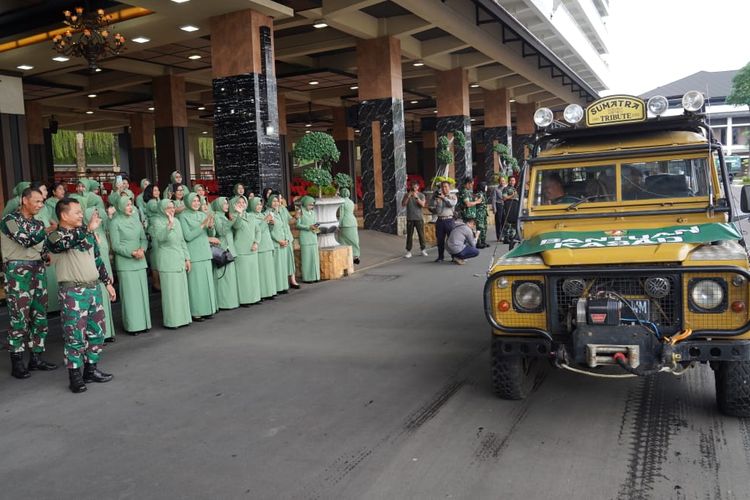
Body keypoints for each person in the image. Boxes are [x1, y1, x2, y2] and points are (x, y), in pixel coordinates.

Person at [47, 198, 116, 393]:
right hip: (72, 292)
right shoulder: (55, 236)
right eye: (77, 212)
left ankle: (91, 370)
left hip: (93, 289)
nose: (80, 215)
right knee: (74, 336)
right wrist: (88, 229)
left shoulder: (86, 234)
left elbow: (97, 259)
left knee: (97, 332)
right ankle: (75, 376)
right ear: (63, 215)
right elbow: (62, 245)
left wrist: (107, 283)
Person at [1, 187, 57, 378]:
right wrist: (47, 231)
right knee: (20, 318)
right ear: (24, 200)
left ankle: (36, 358)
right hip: (18, 274)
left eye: (42, 202)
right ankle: (17, 361)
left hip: (38, 270)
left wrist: (45, 255)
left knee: (39, 316)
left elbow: (39, 246)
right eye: (37, 201)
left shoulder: (38, 223)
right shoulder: (10, 221)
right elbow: (24, 241)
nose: (40, 205)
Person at [108, 196, 152, 334]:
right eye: (126, 205)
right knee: (130, 296)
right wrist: (131, 253)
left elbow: (143, 239)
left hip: (140, 260)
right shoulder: (114, 222)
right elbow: (115, 246)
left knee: (142, 294)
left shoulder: (136, 220)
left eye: (130, 204)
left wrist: (142, 250)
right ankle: (133, 326)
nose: (130, 207)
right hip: (126, 263)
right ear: (120, 206)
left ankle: (145, 323)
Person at [152, 200, 192, 329]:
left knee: (181, 290)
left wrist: (187, 258)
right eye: (168, 207)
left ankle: (184, 318)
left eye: (173, 207)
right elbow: (160, 238)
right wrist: (169, 225)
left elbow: (182, 241)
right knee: (171, 293)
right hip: (167, 260)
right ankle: (173, 321)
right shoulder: (157, 221)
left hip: (179, 258)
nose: (171, 209)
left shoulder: (178, 221)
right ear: (162, 209)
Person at [179, 192, 219, 320]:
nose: (196, 203)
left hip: (205, 252)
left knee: (207, 283)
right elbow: (188, 236)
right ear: (187, 202)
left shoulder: (202, 214)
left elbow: (211, 233)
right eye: (194, 201)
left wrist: (211, 226)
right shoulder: (183, 216)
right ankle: (196, 311)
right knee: (196, 285)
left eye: (198, 201)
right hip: (194, 253)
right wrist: (202, 225)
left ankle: (208, 309)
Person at [84, 206, 115, 342]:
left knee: (105, 302)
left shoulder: (100, 231)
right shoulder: (85, 234)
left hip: (104, 270)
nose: (97, 217)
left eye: (97, 214)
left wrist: (109, 274)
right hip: (93, 273)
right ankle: (99, 334)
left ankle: (107, 332)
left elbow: (105, 256)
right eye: (94, 215)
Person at [231, 196, 262, 306]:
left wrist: (256, 242)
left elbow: (258, 231)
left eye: (243, 202)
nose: (241, 204)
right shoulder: (233, 216)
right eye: (238, 202)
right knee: (244, 277)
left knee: (253, 275)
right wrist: (239, 214)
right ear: (234, 204)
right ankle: (245, 300)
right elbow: (237, 226)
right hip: (241, 250)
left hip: (252, 249)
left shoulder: (251, 216)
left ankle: (255, 297)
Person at [211, 197, 241, 310]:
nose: (226, 205)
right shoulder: (216, 216)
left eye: (227, 203)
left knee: (230, 278)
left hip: (230, 249)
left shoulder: (224, 216)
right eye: (224, 203)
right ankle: (224, 303)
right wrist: (231, 220)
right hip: (222, 250)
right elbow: (221, 231)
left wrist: (238, 215)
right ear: (218, 205)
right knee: (224, 278)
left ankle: (231, 302)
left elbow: (236, 226)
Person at [250, 196, 277, 298]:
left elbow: (267, 230)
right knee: (263, 271)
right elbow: (257, 231)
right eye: (257, 204)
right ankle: (264, 293)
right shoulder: (251, 216)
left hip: (268, 244)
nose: (259, 206)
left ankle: (270, 291)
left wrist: (271, 224)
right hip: (261, 245)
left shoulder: (262, 215)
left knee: (269, 270)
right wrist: (266, 221)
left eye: (260, 204)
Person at [266, 195, 290, 294]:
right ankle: (278, 287)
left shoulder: (279, 213)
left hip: (283, 242)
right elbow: (269, 231)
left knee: (283, 266)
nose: (276, 203)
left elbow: (284, 227)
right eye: (274, 201)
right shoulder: (268, 213)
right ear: (270, 202)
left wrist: (286, 239)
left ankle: (284, 286)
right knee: (277, 266)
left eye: (277, 201)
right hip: (276, 243)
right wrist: (278, 240)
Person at [429, 181, 457, 263]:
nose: (444, 188)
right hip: (440, 220)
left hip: (449, 220)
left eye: (446, 186)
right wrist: (433, 198)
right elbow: (431, 207)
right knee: (440, 240)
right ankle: (440, 257)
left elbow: (451, 204)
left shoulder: (452, 196)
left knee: (451, 239)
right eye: (443, 187)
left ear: (449, 187)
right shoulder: (438, 196)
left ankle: (454, 256)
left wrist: (444, 198)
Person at [277, 194, 300, 289]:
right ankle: (283, 283)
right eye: (278, 198)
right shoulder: (270, 211)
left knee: (290, 260)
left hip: (288, 237)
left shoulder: (283, 209)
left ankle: (293, 280)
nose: (280, 200)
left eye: (281, 198)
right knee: (281, 262)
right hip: (279, 239)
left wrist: (296, 217)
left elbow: (290, 220)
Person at [296, 196, 321, 283]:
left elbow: (314, 224)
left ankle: (316, 276)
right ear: (305, 203)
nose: (311, 206)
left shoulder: (313, 212)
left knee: (314, 257)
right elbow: (297, 225)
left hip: (313, 236)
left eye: (313, 205)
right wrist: (308, 227)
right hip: (305, 238)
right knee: (307, 258)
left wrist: (316, 228)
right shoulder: (300, 211)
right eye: (310, 204)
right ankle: (308, 278)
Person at [402, 181, 428, 259]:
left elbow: (423, 205)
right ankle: (408, 251)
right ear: (411, 187)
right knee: (409, 235)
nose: (414, 188)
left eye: (416, 186)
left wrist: (416, 197)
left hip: (419, 218)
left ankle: (423, 249)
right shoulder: (407, 195)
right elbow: (403, 204)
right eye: (413, 186)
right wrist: (408, 196)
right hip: (410, 218)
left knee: (421, 234)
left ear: (418, 187)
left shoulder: (421, 195)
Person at [336, 188, 361, 265]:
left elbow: (341, 214)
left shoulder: (342, 202)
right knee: (354, 239)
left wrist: (338, 224)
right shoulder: (351, 202)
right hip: (353, 222)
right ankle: (356, 255)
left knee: (342, 240)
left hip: (345, 223)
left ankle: (344, 256)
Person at [475, 182, 489, 249]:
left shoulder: (484, 194)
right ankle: (478, 242)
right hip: (479, 213)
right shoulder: (478, 194)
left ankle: (483, 241)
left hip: (483, 213)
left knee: (484, 228)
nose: (487, 187)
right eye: (485, 186)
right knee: (480, 228)